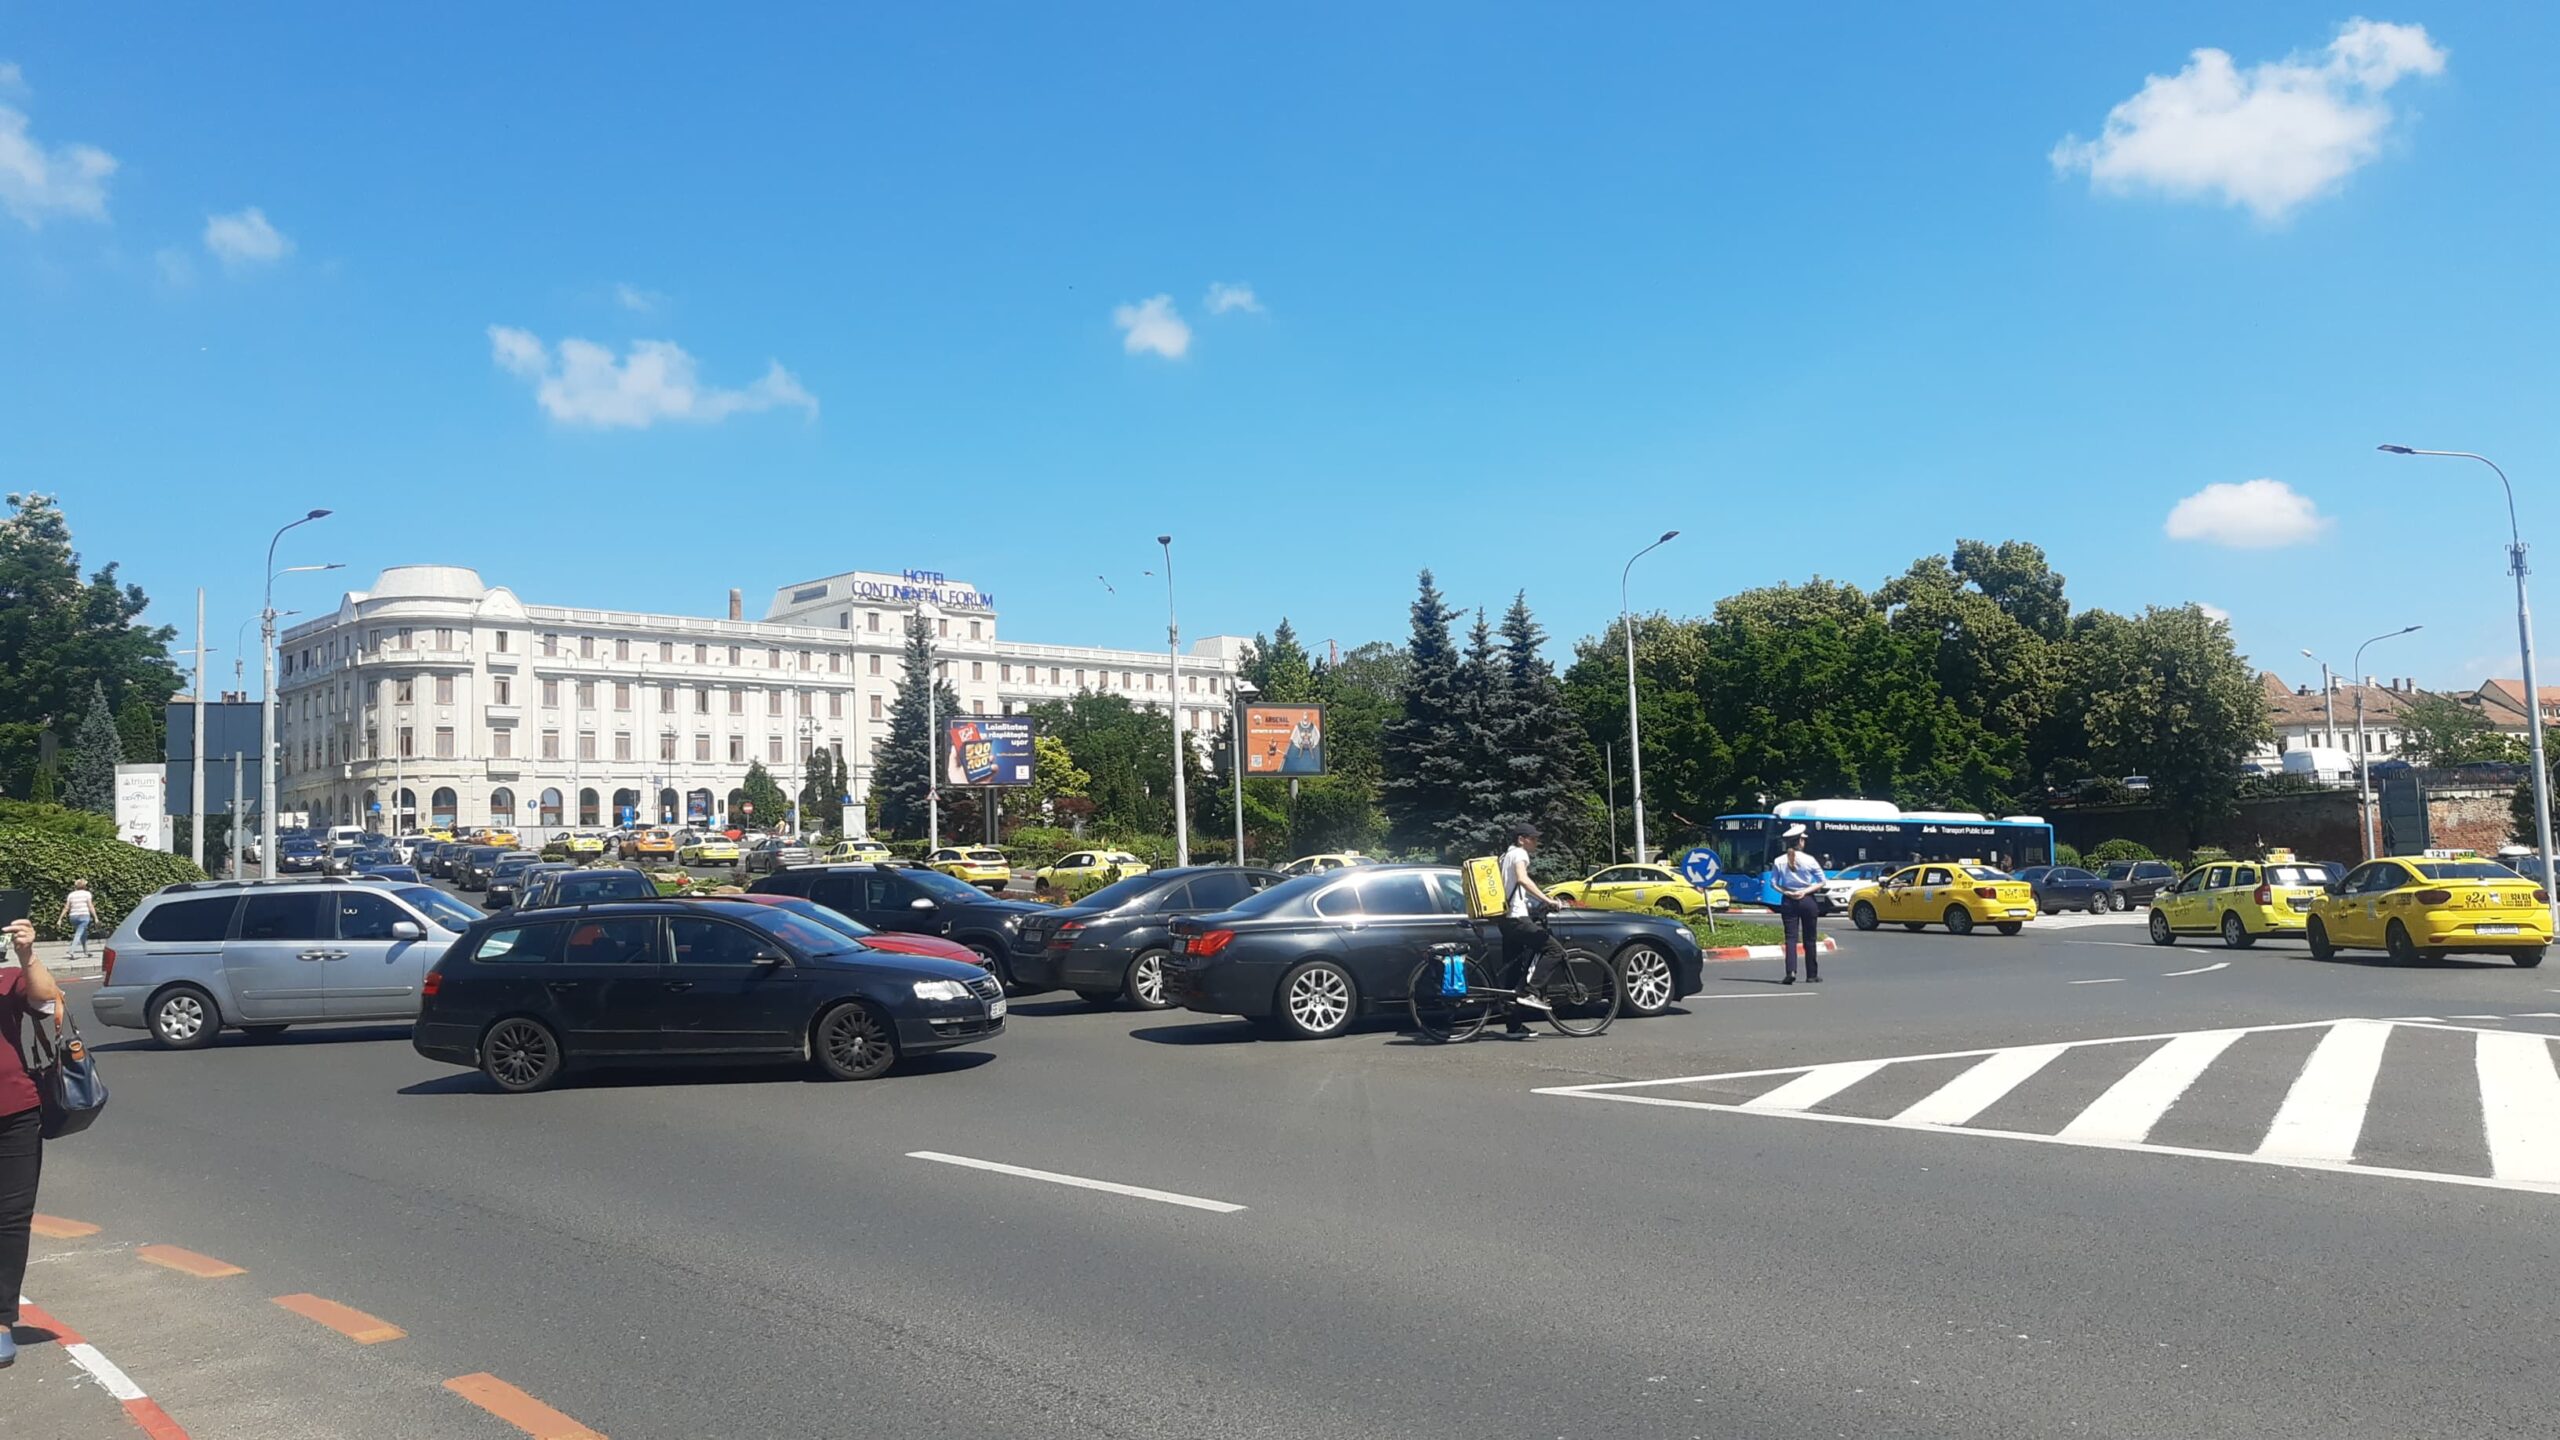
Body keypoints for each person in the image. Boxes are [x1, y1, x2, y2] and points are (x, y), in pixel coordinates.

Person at [3, 917, 67, 1368]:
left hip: (15, 1115)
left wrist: (28, 954)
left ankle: (2, 1322)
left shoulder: (10, 981)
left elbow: (49, 1003)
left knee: (9, 1221)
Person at [1497, 822, 1563, 1037]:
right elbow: (1523, 880)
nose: (1536, 842)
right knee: (1555, 951)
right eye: (1532, 838)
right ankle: (1533, 993)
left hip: (1505, 919)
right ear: (1521, 839)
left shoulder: (1505, 855)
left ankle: (1513, 1026)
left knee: (1515, 972)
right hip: (1516, 918)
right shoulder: (1520, 855)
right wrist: (1547, 900)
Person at [1771, 825, 1826, 984]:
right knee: (1810, 938)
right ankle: (1811, 975)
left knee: (1790, 937)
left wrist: (1787, 892)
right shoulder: (1809, 860)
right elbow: (1822, 881)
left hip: (1788, 900)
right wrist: (1805, 891)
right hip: (1807, 899)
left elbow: (1773, 883)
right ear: (1800, 841)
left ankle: (1791, 971)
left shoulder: (1779, 861)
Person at [57, 880, 94, 960]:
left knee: (83, 933)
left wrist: (60, 919)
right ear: (84, 886)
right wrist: (96, 917)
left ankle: (86, 952)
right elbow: (90, 906)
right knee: (79, 934)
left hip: (73, 917)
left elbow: (66, 907)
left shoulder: (71, 895)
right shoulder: (87, 894)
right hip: (84, 915)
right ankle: (71, 952)